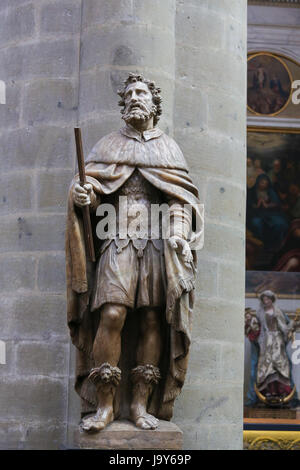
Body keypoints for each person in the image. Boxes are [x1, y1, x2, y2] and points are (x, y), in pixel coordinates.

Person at [65, 73, 202, 432]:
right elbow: (93, 190)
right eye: (130, 94)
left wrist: (177, 234)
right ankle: (106, 405)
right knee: (111, 314)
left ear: (155, 103)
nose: (135, 98)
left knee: (154, 320)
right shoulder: (108, 145)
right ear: (123, 104)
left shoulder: (169, 149)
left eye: (142, 93)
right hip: (117, 239)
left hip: (158, 245)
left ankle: (141, 403)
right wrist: (84, 195)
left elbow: (180, 199)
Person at [245, 290, 296, 404]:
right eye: (264, 299)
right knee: (266, 366)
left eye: (267, 299)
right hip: (266, 341)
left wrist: (290, 326)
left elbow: (285, 326)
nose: (266, 301)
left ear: (271, 299)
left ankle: (280, 392)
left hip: (278, 340)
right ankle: (267, 392)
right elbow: (257, 327)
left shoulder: (278, 311)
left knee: (280, 364)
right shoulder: (260, 313)